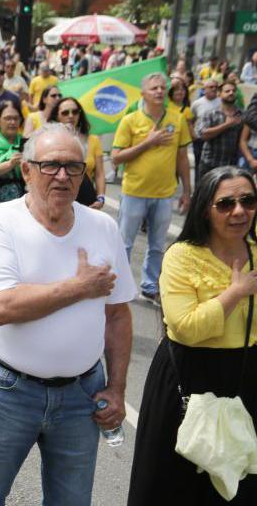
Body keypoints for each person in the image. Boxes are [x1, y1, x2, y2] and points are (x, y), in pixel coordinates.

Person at [0, 122, 135, 505]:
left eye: (74, 167)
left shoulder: (103, 227)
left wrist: (117, 388)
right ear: (27, 171)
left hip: (82, 393)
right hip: (9, 391)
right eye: (51, 165)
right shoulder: (0, 220)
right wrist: (79, 287)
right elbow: (1, 307)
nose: (63, 175)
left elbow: (118, 315)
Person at [128, 166, 257, 504]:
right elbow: (185, 327)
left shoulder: (255, 251)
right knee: (174, 486)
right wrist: (235, 293)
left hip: (246, 375)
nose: (239, 211)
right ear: (204, 209)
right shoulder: (182, 255)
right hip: (188, 377)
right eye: (225, 204)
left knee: (239, 485)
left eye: (248, 201)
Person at [112, 72, 192, 305]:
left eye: (162, 88)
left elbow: (182, 158)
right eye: (154, 88)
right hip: (134, 192)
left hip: (165, 194)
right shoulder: (130, 120)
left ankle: (150, 287)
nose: (159, 91)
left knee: (157, 245)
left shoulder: (177, 119)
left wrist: (187, 191)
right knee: (124, 243)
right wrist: (148, 143)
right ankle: (120, 286)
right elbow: (116, 157)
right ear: (143, 93)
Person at [56, 97, 105, 209]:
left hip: (87, 200)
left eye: (75, 112)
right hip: (59, 199)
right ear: (57, 116)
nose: (71, 116)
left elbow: (100, 173)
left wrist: (101, 198)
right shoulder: (49, 141)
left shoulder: (93, 140)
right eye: (65, 112)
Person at [194, 81, 247, 180]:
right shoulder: (210, 113)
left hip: (231, 166)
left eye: (233, 91)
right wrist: (226, 125)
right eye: (227, 91)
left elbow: (244, 139)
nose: (231, 93)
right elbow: (204, 135)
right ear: (219, 93)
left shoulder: (242, 114)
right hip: (210, 163)